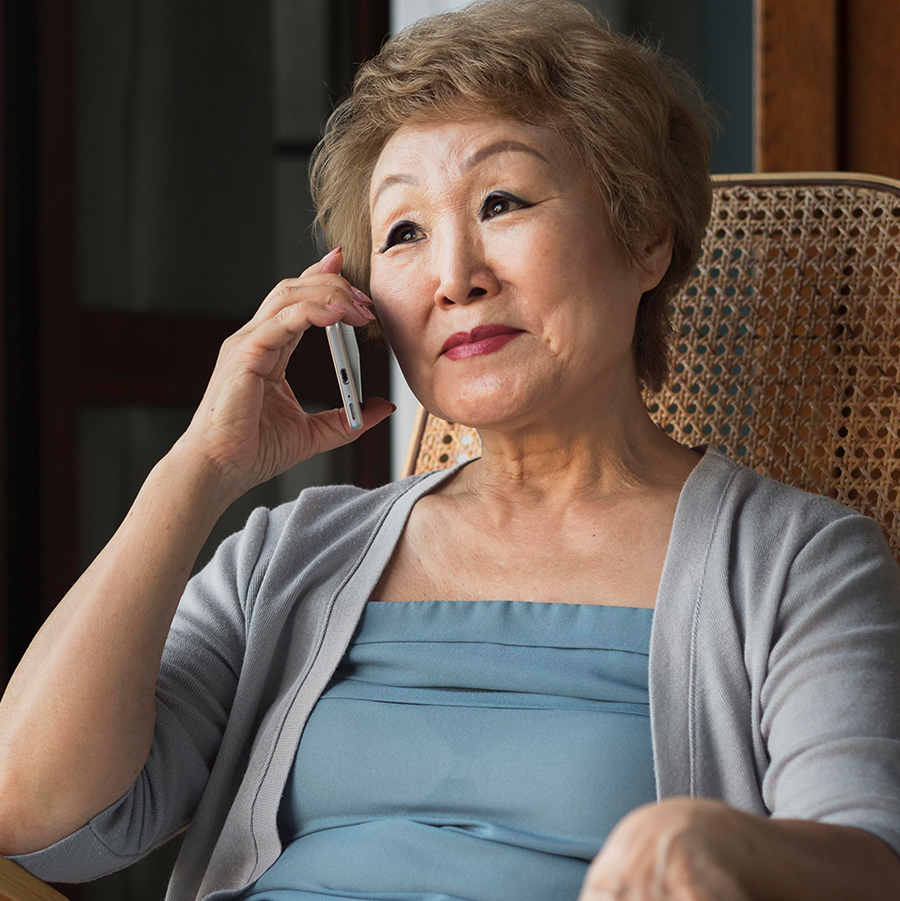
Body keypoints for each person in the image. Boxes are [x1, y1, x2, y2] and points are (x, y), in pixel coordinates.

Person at [2, 1, 900, 899]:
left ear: (647, 238)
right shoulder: (291, 556)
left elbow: (868, 866)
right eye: (403, 232)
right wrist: (197, 469)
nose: (454, 276)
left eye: (501, 202)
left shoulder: (797, 562)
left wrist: (725, 850)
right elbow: (32, 810)